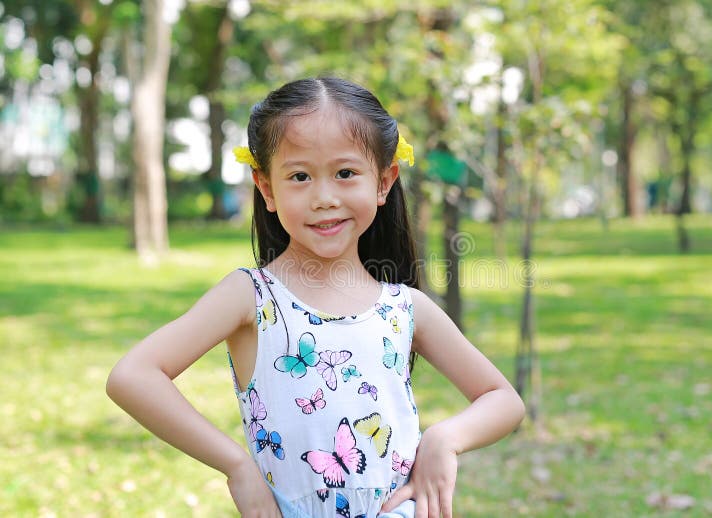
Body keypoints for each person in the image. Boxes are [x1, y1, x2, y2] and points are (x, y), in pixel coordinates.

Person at [106, 77, 525, 518]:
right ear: (267, 188)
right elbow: (133, 376)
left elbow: (503, 399)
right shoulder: (252, 298)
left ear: (384, 182)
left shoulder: (405, 308)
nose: (324, 198)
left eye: (345, 174)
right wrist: (237, 467)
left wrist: (445, 439)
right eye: (300, 176)